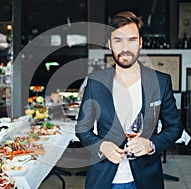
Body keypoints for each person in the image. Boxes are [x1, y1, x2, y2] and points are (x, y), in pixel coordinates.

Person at [75, 11, 183, 189]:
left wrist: (151, 144)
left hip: (146, 180)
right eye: (118, 40)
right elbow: (82, 129)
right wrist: (101, 146)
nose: (125, 48)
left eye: (132, 40)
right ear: (110, 44)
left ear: (140, 42)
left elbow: (175, 127)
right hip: (104, 180)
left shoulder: (161, 82)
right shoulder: (95, 83)